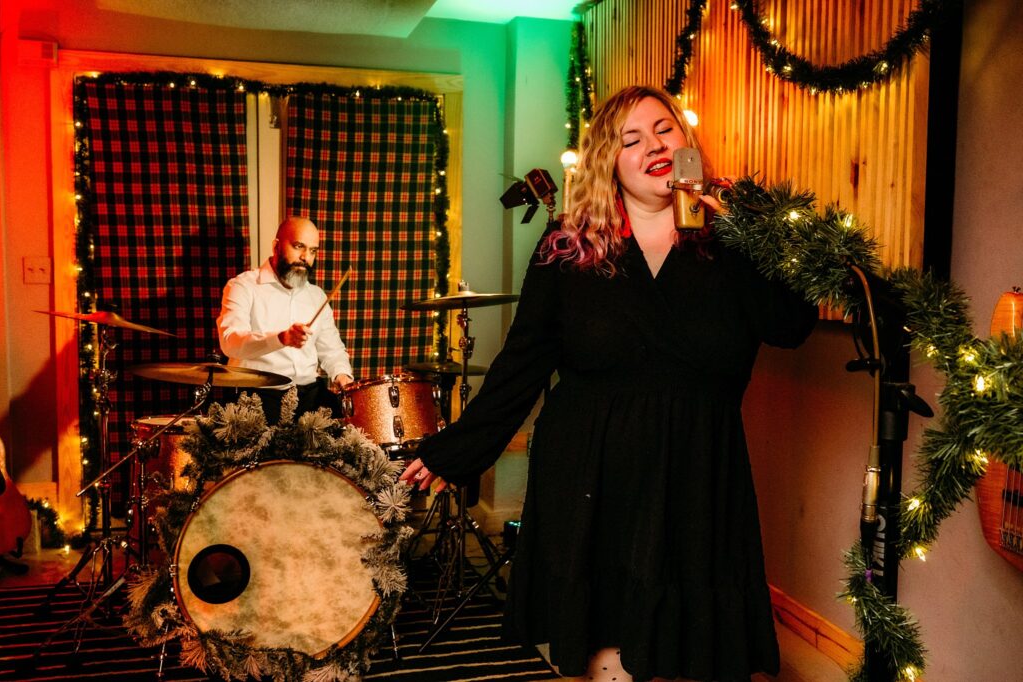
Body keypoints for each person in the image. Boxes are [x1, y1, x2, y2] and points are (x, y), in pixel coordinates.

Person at [400, 85, 817, 682]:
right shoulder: (567, 246)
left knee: (690, 654)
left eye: (664, 130)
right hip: (592, 477)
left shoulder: (729, 241)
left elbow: (791, 325)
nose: (655, 146)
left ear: (686, 140)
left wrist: (742, 232)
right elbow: (521, 363)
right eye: (632, 139)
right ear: (608, 162)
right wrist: (457, 450)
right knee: (606, 658)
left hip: (698, 479)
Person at [217, 216, 354, 424]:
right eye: (298, 246)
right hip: (258, 399)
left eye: (313, 251)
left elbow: (332, 351)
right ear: (276, 246)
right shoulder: (243, 286)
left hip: (309, 398)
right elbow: (231, 343)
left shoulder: (316, 296)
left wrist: (342, 375)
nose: (305, 257)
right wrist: (280, 339)